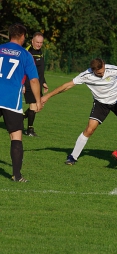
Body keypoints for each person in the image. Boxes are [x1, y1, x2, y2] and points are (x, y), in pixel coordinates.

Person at [41, 58, 117, 165]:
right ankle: (72, 157)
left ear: (104, 66)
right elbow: (67, 85)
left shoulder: (112, 69)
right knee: (90, 129)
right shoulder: (86, 75)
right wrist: (48, 96)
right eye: (99, 73)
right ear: (93, 70)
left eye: (103, 71)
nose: (102, 74)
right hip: (101, 104)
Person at [0, 23, 43, 182]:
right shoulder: (25, 55)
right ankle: (17, 176)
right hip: (11, 100)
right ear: (22, 36)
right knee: (16, 137)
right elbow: (33, 80)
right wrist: (38, 100)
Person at [23, 32, 48, 136]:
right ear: (32, 41)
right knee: (34, 106)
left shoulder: (40, 51)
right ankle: (30, 130)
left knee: (38, 107)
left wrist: (44, 82)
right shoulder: (27, 52)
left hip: (38, 84)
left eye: (41, 42)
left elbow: (39, 70)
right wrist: (22, 84)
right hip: (29, 83)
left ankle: (20, 117)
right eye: (37, 42)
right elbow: (22, 69)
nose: (39, 44)